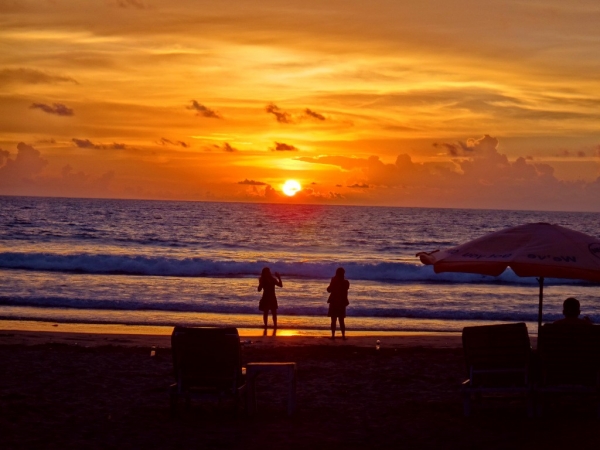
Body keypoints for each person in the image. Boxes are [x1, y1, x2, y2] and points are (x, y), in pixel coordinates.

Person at [327, 267, 350, 339]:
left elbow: (329, 290)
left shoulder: (334, 281)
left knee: (333, 320)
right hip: (342, 303)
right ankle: (343, 336)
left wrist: (333, 281)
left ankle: (333, 336)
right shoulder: (346, 282)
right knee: (341, 320)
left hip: (334, 302)